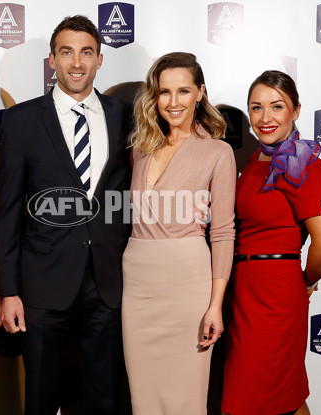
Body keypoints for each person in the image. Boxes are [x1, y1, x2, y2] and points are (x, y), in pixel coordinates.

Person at [0, 15, 133, 414]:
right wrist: (8, 290)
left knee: (105, 398)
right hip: (42, 284)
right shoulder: (21, 120)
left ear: (100, 60)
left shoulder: (125, 115)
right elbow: (7, 213)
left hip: (109, 284)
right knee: (40, 397)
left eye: (86, 52)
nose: (77, 62)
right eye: (67, 52)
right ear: (52, 60)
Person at [122, 52, 236, 415]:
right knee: (144, 400)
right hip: (138, 284)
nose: (173, 102)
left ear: (200, 93)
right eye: (164, 92)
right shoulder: (141, 147)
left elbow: (222, 233)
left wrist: (215, 305)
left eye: (183, 91)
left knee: (185, 400)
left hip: (187, 283)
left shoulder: (218, 152)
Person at [221, 70, 321, 415]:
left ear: (296, 110)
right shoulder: (254, 161)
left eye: (277, 106)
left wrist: (305, 281)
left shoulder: (299, 162)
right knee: (281, 396)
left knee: (256, 400)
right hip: (244, 292)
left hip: (275, 297)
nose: (266, 118)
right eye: (256, 108)